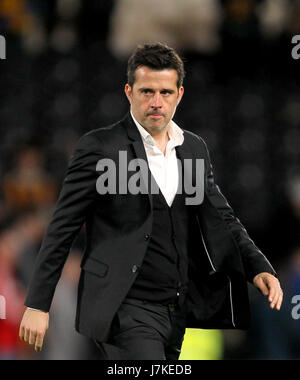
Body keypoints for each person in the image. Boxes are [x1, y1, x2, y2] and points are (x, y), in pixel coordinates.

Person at [19, 42, 283, 360]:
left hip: (176, 309)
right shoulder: (100, 148)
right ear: (129, 92)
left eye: (165, 92)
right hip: (123, 308)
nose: (156, 102)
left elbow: (222, 216)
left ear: (179, 94)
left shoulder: (194, 149)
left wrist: (257, 267)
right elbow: (62, 227)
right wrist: (37, 304)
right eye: (147, 91)